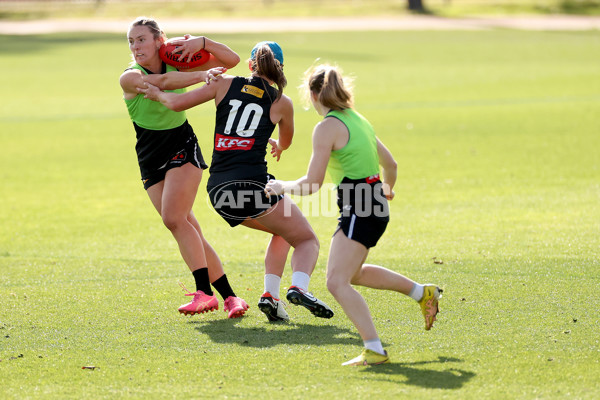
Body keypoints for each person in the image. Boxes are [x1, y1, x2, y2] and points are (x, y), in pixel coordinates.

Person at [139, 41, 334, 322]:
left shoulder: (224, 83)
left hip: (219, 193)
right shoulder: (281, 102)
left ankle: (271, 296)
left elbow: (175, 103)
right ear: (280, 68)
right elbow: (288, 141)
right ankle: (299, 288)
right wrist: (278, 145)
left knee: (282, 231)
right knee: (306, 239)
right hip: (254, 188)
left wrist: (156, 93)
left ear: (250, 65)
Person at [264, 64, 443, 365]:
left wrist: (281, 186)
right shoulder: (359, 120)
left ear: (312, 95)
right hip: (370, 204)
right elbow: (392, 165)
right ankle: (422, 293)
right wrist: (386, 190)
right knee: (352, 274)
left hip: (360, 206)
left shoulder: (327, 127)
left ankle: (374, 348)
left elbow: (312, 183)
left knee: (336, 281)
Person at [119, 17, 248, 319]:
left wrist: (202, 42)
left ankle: (203, 293)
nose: (136, 47)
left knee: (174, 219)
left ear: (159, 40)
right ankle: (230, 297)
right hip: (149, 156)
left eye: (141, 39)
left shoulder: (177, 60)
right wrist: (203, 74)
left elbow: (230, 61)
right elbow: (162, 83)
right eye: (131, 41)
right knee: (188, 229)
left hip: (181, 146)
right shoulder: (129, 76)